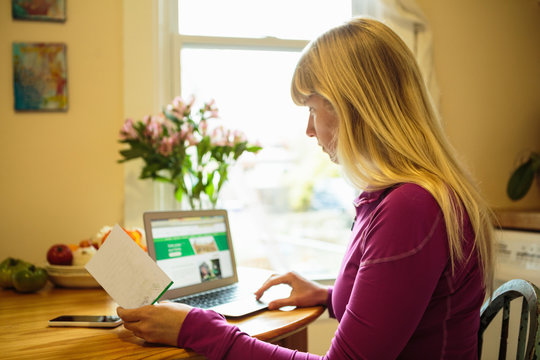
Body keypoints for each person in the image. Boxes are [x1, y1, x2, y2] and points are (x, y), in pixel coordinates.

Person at [117, 17, 494, 359]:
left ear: (353, 107)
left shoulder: (410, 207)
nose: (309, 130)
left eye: (312, 109)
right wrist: (329, 296)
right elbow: (410, 307)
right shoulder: (403, 198)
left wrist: (197, 329)